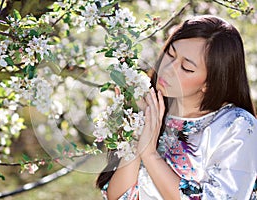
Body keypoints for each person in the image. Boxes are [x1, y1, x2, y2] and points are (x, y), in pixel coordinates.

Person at [96, 15, 257, 199]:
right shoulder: (153, 112)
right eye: (170, 54)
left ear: (210, 82)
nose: (168, 69)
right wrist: (137, 129)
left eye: (186, 67)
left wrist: (150, 155)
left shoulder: (236, 126)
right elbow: (117, 197)